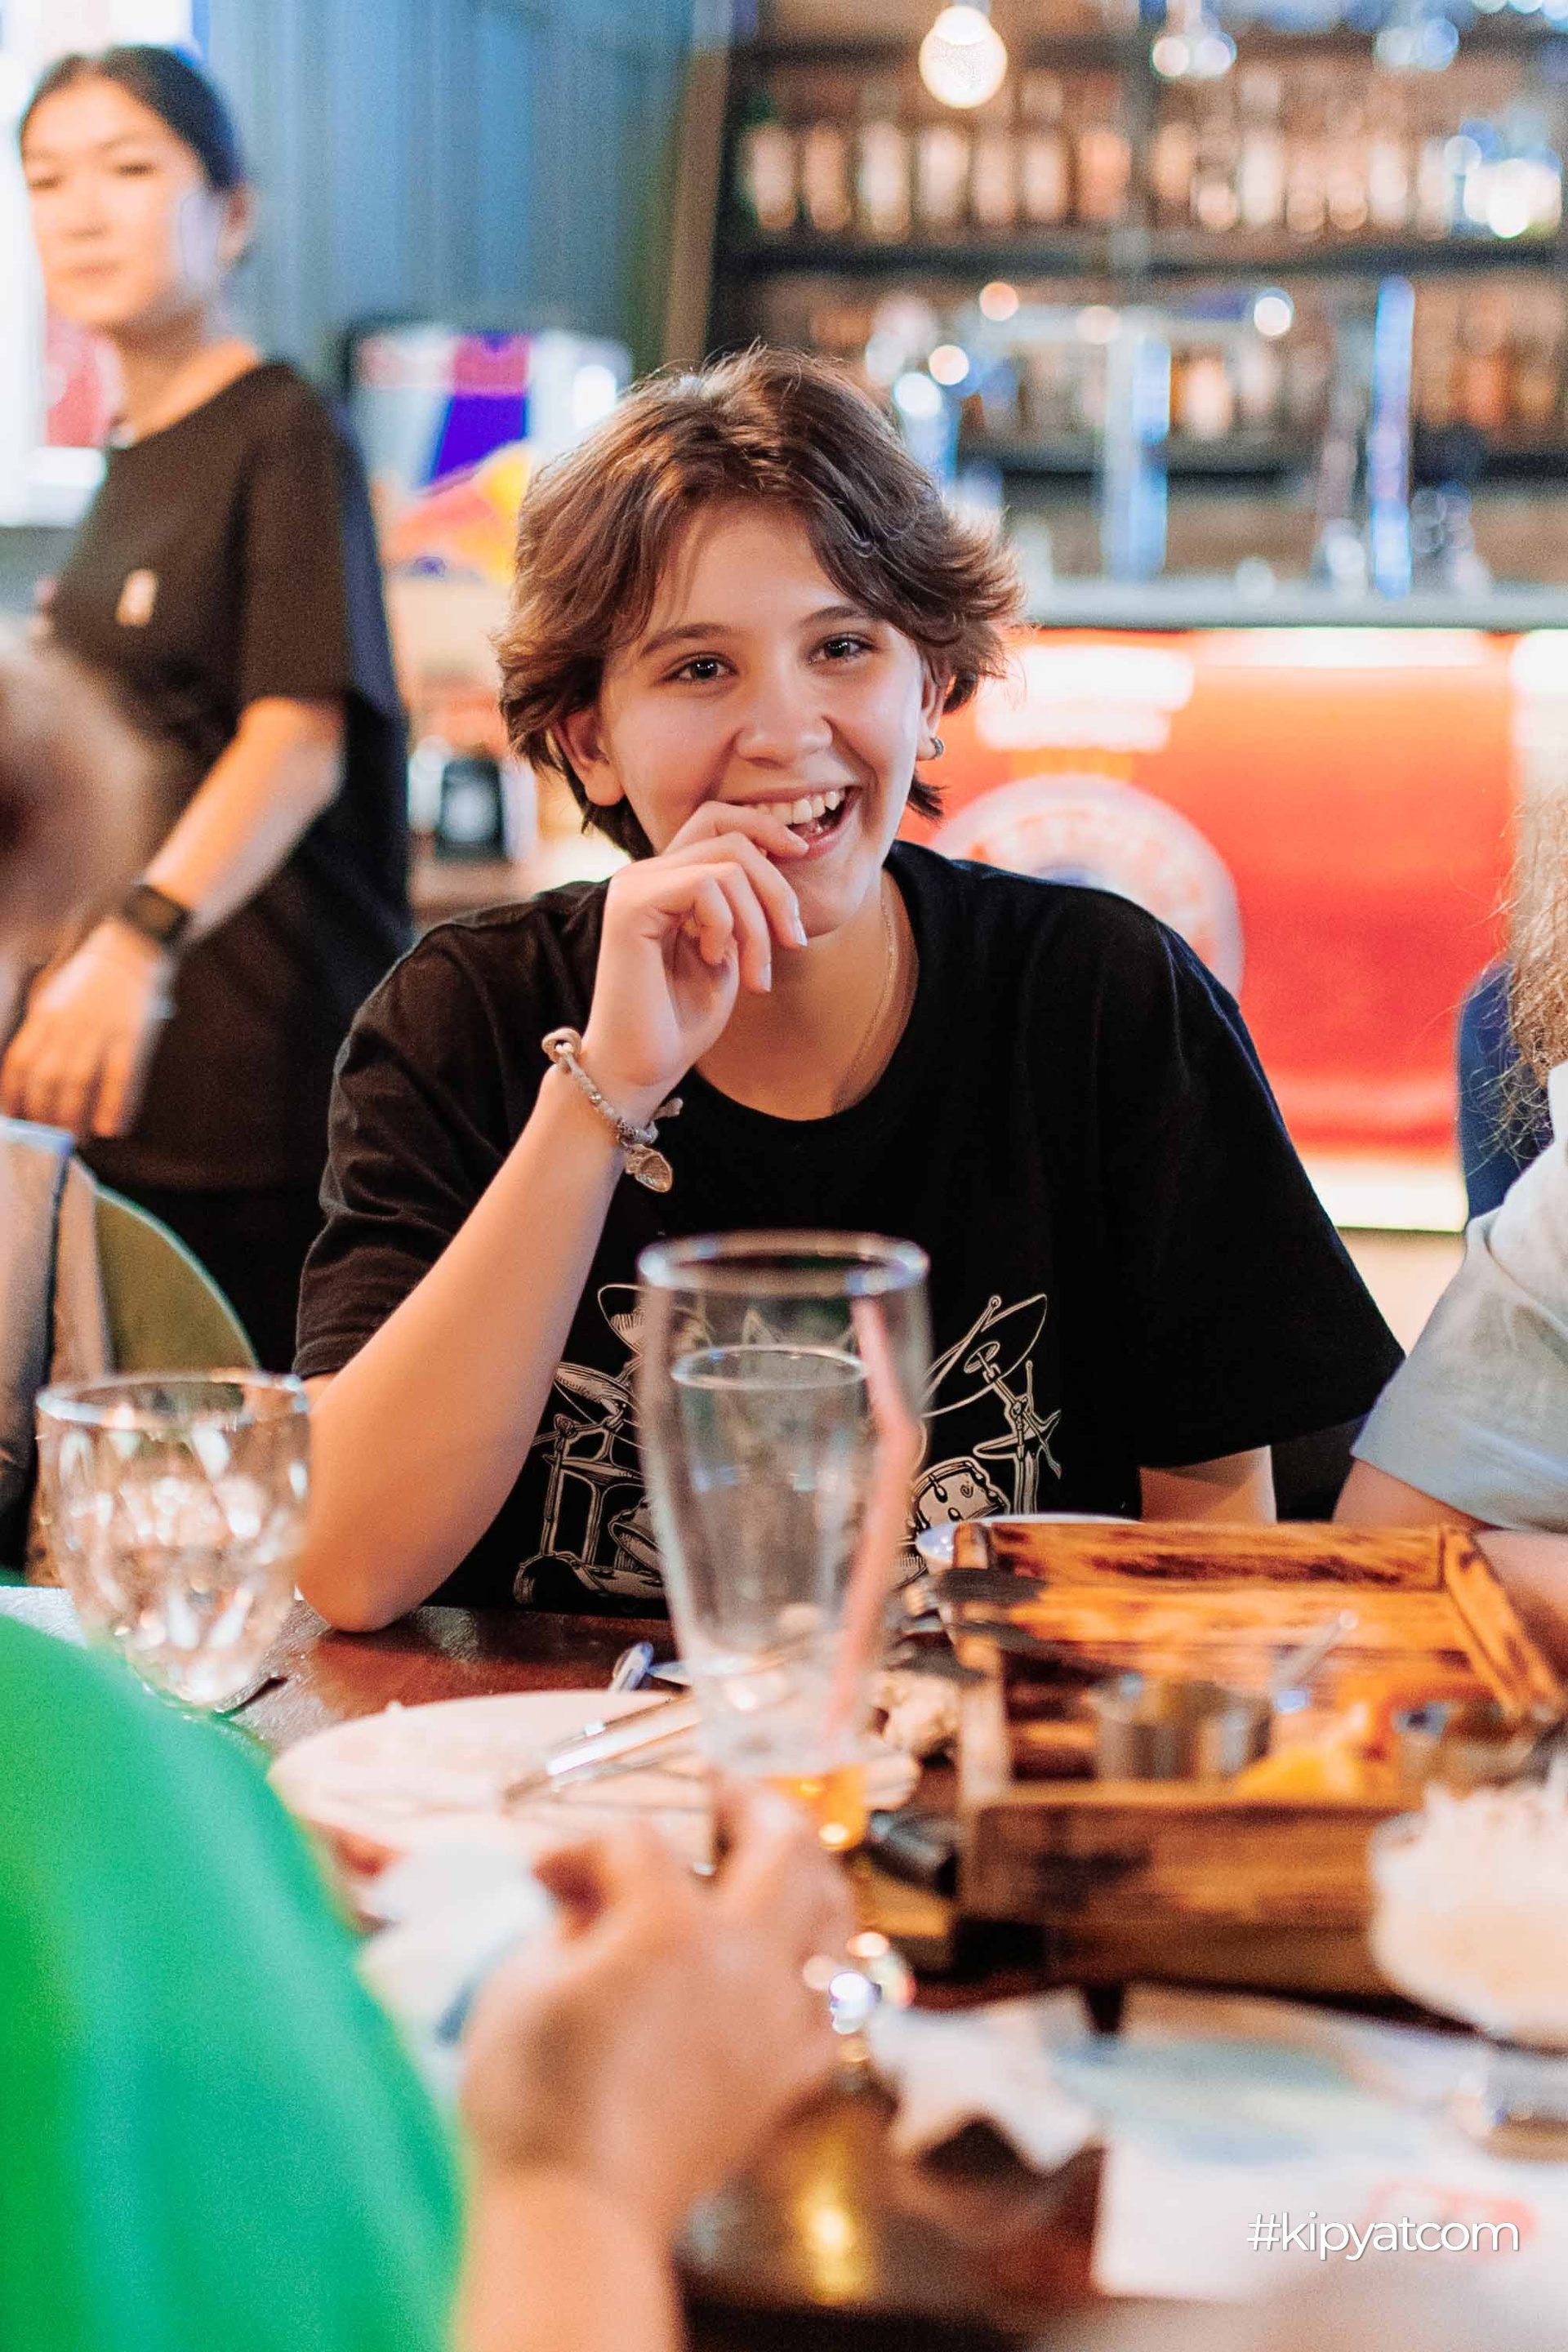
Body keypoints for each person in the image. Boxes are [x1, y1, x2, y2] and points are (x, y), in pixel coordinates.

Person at [0, 648, 847, 2352]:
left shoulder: (118, 1804)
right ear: (589, 732)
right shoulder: (96, 1833)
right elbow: (355, 1550)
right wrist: (583, 2162)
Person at [292, 347, 1402, 1630]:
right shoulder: (462, 1020)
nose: (786, 731)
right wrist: (605, 1093)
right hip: (564, 1749)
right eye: (699, 669)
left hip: (986, 1742)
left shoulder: (1103, 1001)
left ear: (928, 686)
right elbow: (351, 1566)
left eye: (842, 646)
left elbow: (1213, 1549)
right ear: (590, 740)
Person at [1, 46, 410, 1371]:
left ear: (231, 214)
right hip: (125, 1084)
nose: (80, 210)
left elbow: (296, 741)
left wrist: (137, 944)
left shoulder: (281, 431)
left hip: (261, 1081)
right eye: (46, 178)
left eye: (128, 168)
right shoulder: (127, 466)